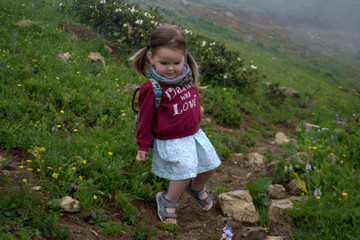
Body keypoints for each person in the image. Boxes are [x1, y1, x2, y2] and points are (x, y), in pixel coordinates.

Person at [129, 24, 221, 225]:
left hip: (193, 133)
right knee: (185, 169)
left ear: (185, 57)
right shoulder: (151, 88)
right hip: (171, 138)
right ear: (151, 58)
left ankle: (195, 188)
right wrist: (142, 146)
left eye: (176, 62)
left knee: (211, 164)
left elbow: (191, 94)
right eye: (164, 63)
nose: (171, 68)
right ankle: (168, 200)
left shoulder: (186, 75)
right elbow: (144, 120)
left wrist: (198, 107)